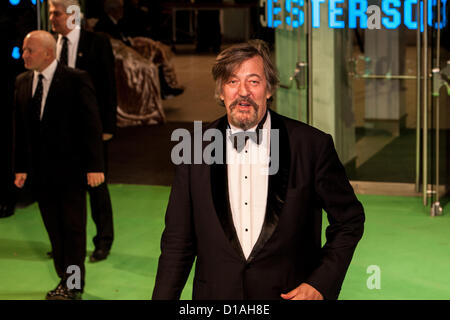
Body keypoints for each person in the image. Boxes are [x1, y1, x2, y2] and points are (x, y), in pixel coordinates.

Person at [152, 40, 365, 300]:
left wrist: (321, 283)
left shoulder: (311, 146)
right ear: (221, 91)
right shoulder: (194, 148)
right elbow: (177, 242)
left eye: (253, 81)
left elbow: (349, 221)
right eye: (232, 81)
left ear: (269, 89)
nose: (243, 92)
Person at [14, 30, 104, 300]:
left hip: (72, 173)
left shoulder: (76, 80)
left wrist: (95, 166)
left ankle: (73, 286)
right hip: (41, 176)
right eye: (24, 50)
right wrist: (20, 167)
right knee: (55, 232)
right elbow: (20, 130)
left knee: (73, 233)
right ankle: (64, 281)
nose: (24, 55)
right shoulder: (21, 82)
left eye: (30, 50)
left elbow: (91, 125)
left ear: (48, 53)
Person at [48, 0, 116, 263]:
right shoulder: (49, 46)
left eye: (56, 12)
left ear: (73, 14)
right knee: (64, 190)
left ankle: (103, 241)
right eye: (51, 12)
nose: (52, 17)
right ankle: (65, 244)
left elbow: (109, 86)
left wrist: (108, 127)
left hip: (92, 131)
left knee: (97, 186)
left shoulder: (97, 42)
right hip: (59, 134)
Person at [95, 0, 184, 99]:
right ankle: (163, 90)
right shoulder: (105, 24)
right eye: (120, 8)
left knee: (156, 57)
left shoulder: (115, 22)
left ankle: (164, 89)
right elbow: (115, 44)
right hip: (122, 58)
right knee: (150, 64)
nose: (123, 10)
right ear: (113, 10)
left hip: (126, 51)